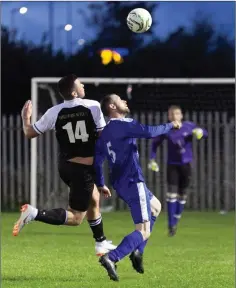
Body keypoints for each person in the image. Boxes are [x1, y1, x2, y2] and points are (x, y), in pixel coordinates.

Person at [12, 74, 116, 256]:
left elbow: (29, 133)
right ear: (75, 92)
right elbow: (101, 136)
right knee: (76, 218)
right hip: (82, 168)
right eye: (80, 84)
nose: (83, 84)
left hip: (65, 166)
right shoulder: (92, 106)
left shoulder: (54, 112)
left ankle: (100, 242)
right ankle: (34, 213)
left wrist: (25, 118)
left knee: (93, 199)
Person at [94, 94, 181, 281]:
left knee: (156, 207)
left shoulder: (105, 132)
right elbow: (149, 132)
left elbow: (97, 161)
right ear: (112, 106)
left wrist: (101, 183)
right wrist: (170, 125)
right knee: (143, 231)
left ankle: (137, 252)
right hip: (133, 181)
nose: (125, 101)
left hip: (121, 184)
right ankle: (112, 257)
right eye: (120, 100)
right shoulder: (124, 124)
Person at [148, 105, 208, 237]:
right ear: (169, 116)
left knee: (182, 195)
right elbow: (154, 143)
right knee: (171, 195)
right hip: (172, 166)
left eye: (177, 114)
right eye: (172, 114)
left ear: (181, 115)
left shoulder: (189, 126)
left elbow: (204, 133)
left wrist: (201, 132)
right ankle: (171, 225)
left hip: (186, 165)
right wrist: (152, 160)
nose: (174, 116)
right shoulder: (166, 130)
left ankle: (175, 220)